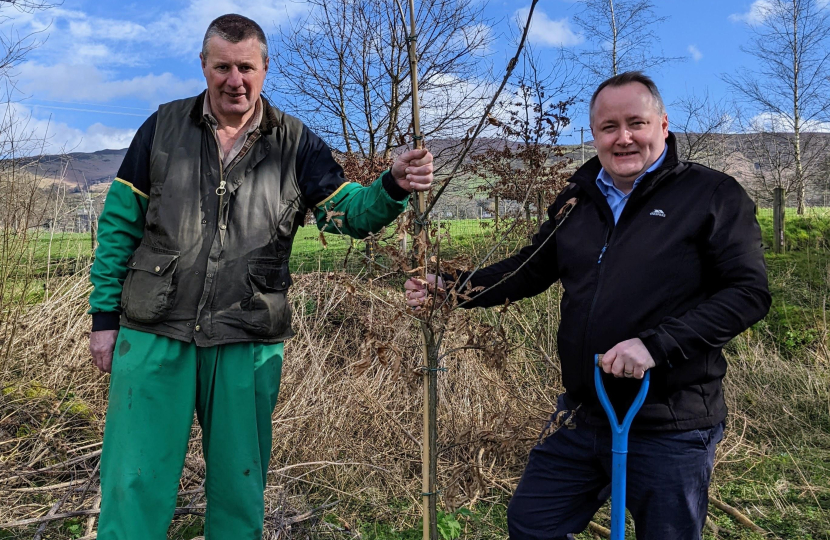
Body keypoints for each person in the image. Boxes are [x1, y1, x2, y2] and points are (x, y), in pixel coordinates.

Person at [87, 13, 433, 540]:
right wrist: (103, 318)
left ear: (264, 69)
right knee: (131, 486)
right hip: (153, 332)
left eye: (246, 67)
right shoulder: (161, 128)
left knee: (238, 490)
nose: (235, 80)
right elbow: (117, 227)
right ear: (204, 66)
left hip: (247, 338)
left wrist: (393, 185)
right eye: (222, 66)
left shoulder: (297, 143)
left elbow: (348, 213)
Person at [405, 71, 770, 540]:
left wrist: (654, 347)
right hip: (584, 412)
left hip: (670, 419)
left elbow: (748, 294)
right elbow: (529, 269)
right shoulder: (578, 200)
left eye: (635, 123)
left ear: (663, 124)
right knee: (533, 523)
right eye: (608, 127)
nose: (623, 138)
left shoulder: (712, 195)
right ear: (594, 133)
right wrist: (451, 286)